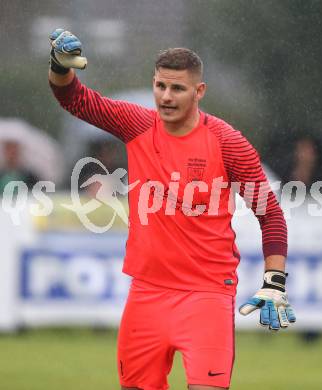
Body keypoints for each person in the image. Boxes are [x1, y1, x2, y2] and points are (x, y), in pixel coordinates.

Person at [48, 29, 296, 390]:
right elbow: (76, 100)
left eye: (177, 88)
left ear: (199, 92)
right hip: (146, 293)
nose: (166, 96)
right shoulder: (136, 124)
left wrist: (275, 282)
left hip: (207, 296)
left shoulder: (227, 142)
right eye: (160, 86)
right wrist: (59, 67)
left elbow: (270, 214)